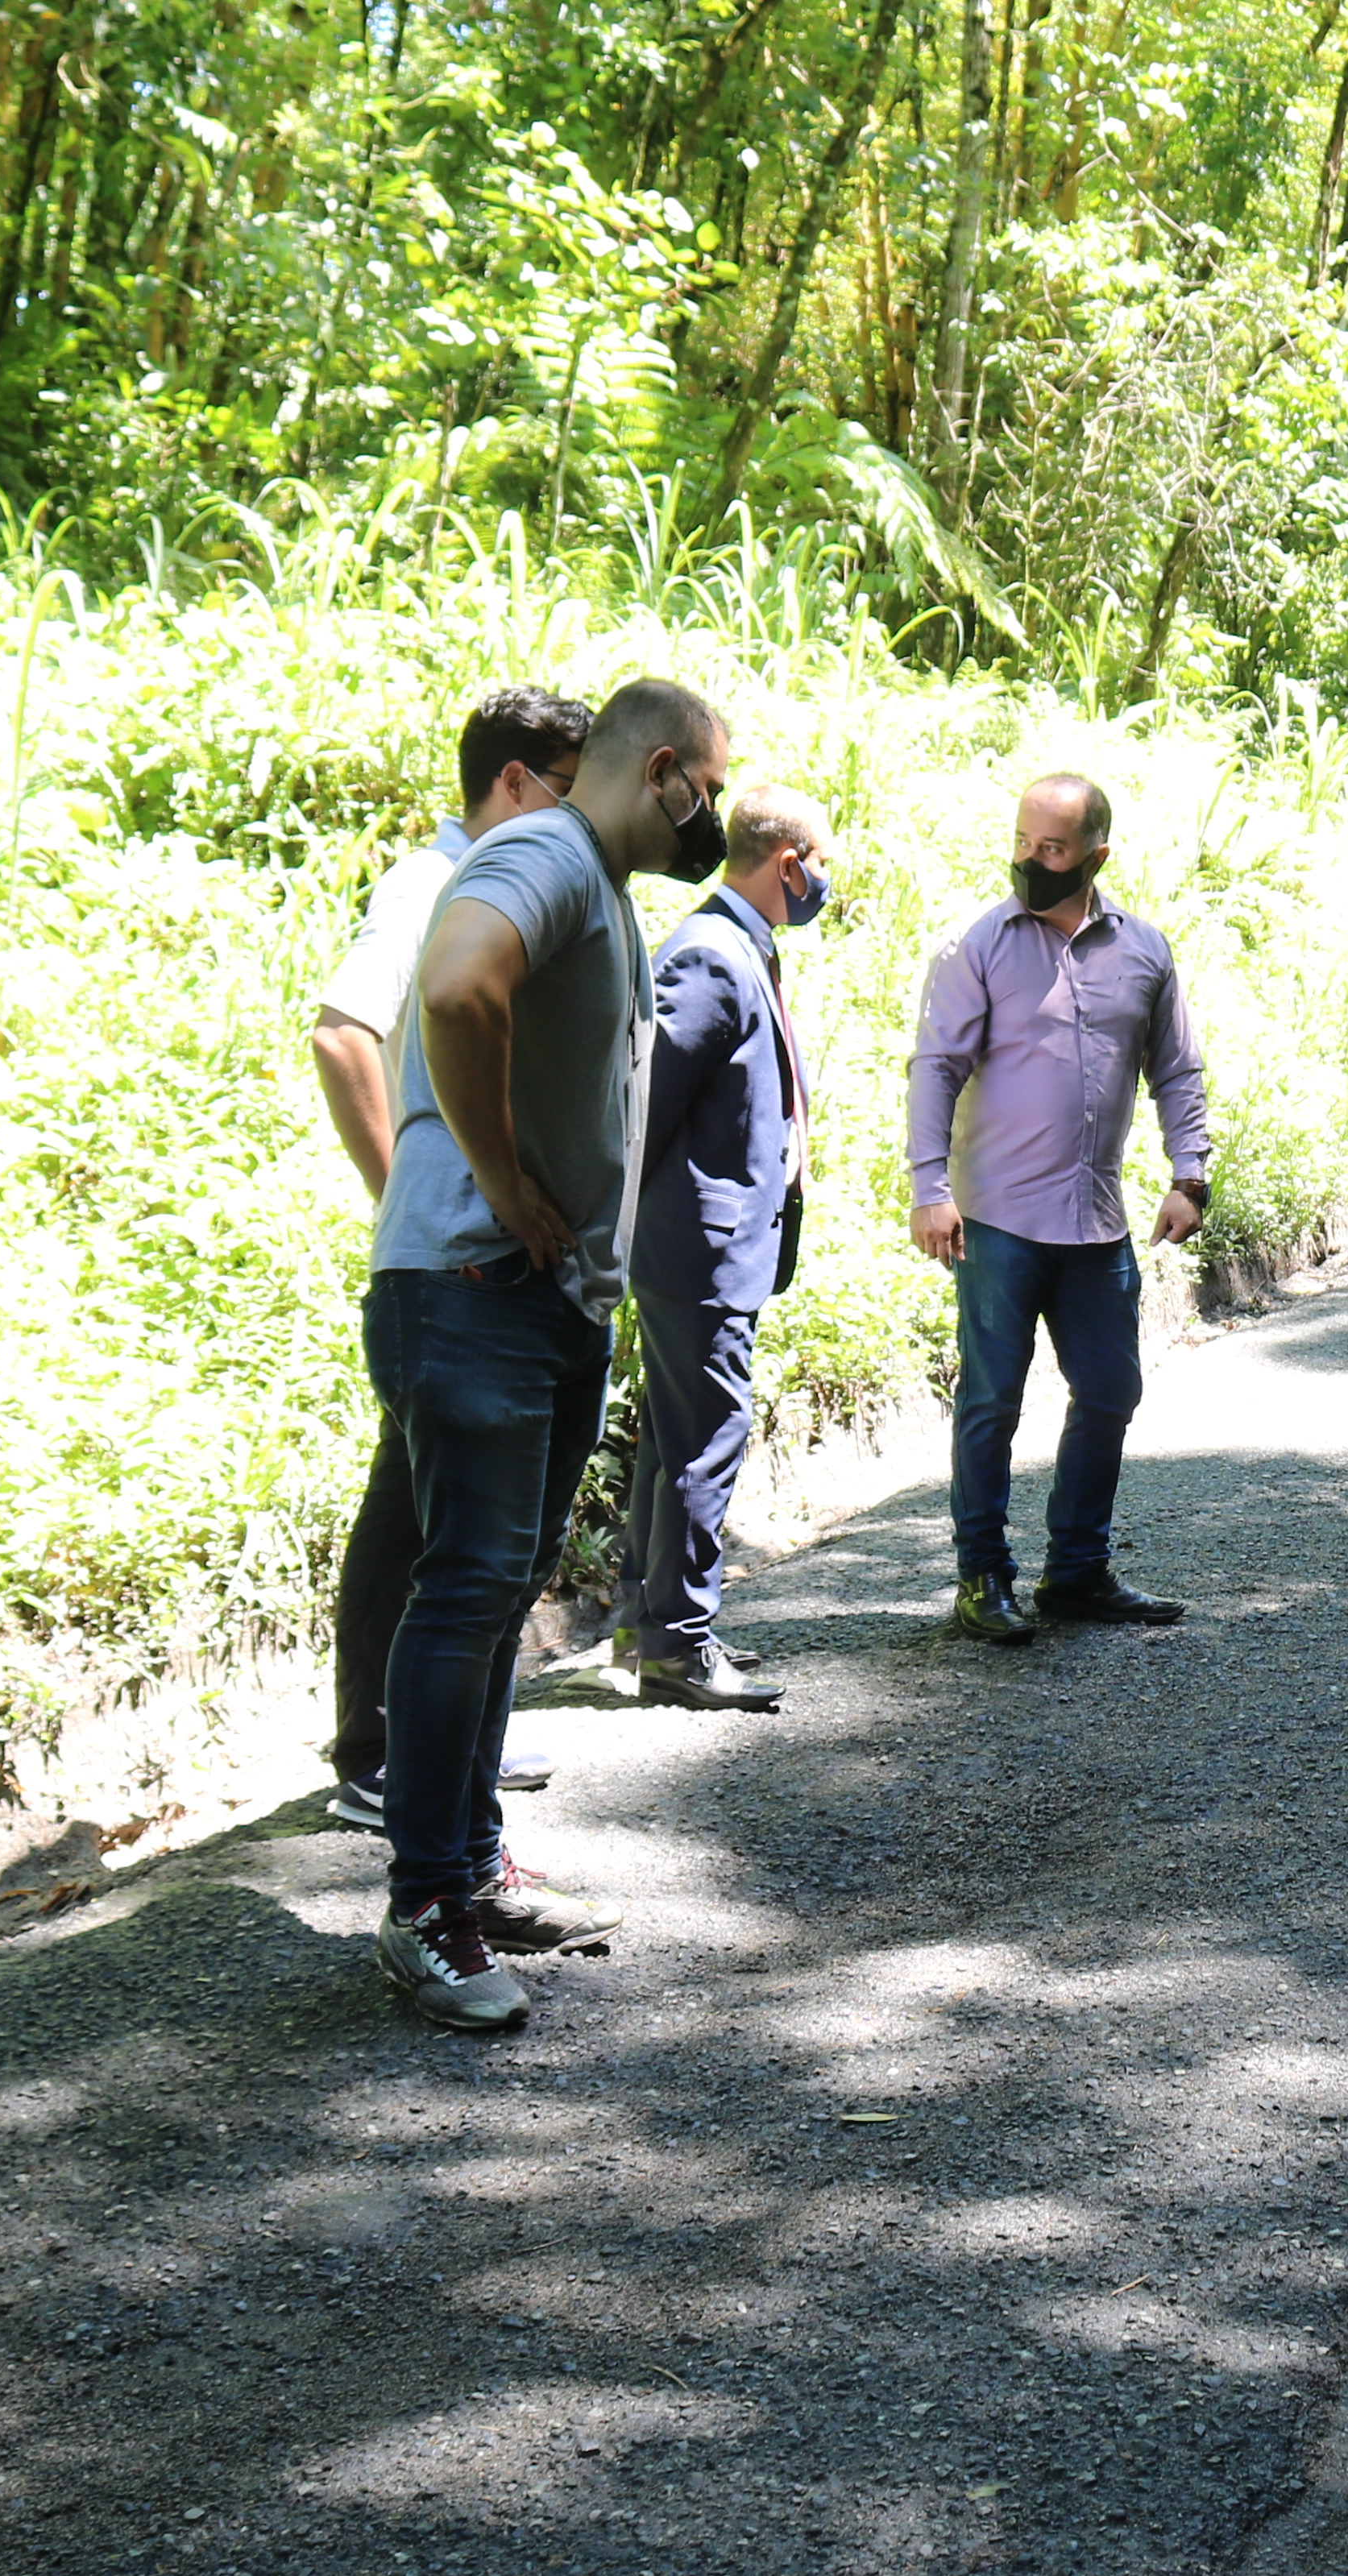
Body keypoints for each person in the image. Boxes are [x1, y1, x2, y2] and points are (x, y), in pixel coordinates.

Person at [362, 676, 734, 2035]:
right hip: (476, 1280)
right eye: (714, 786)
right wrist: (510, 1190)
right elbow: (459, 993)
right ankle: (423, 1909)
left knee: (497, 1581)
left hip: (536, 1291)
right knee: (465, 1589)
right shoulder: (547, 851)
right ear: (666, 771)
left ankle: (468, 1871)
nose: (718, 816)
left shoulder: (602, 888)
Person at [309, 686, 591, 1834]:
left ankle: (435, 1754)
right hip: (450, 1267)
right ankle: (379, 1758)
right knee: (417, 1523)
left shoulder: (508, 887)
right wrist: (415, 1195)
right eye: (566, 792)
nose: (578, 821)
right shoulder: (433, 885)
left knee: (434, 1514)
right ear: (514, 783)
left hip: (490, 1266)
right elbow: (342, 1034)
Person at [905, 772, 1212, 1642]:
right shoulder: (980, 945)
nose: (1030, 862)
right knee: (992, 1400)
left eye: (1052, 849)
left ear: (1096, 855)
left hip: (1096, 1221)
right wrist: (930, 1188)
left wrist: (1189, 1174)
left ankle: (1076, 1570)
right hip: (997, 1219)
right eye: (1022, 843)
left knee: (1112, 1390)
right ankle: (982, 1577)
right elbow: (936, 1069)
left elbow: (1177, 1072)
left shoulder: (1145, 952)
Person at [619, 784, 843, 1711]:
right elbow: (642, 1110)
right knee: (706, 1437)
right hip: (694, 1249)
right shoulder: (710, 958)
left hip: (710, 1245)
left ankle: (658, 1626)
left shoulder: (742, 948)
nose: (826, 881)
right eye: (820, 863)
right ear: (786, 862)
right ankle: (678, 1642)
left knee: (676, 1444)